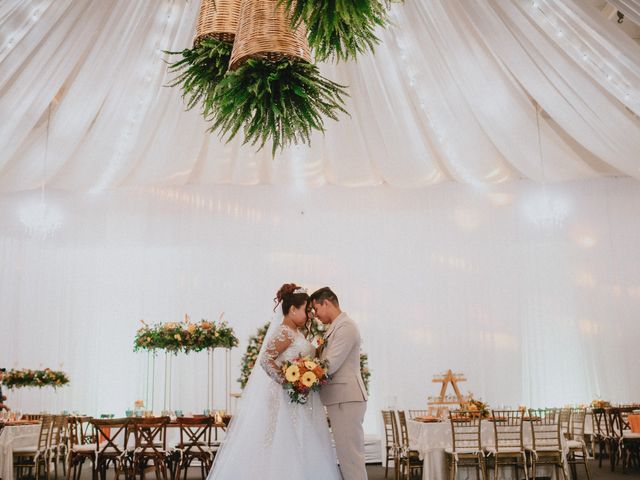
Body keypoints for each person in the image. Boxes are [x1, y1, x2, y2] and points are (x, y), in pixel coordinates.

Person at [207, 284, 340, 480]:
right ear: (293, 309)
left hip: (299, 398)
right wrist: (287, 381)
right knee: (283, 441)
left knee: (301, 440)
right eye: (306, 310)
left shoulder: (297, 333)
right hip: (284, 397)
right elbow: (265, 360)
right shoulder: (284, 332)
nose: (309, 315)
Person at [310, 287, 368, 480]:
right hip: (340, 399)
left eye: (316, 309)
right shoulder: (335, 327)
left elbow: (330, 364)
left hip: (347, 399)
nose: (315, 315)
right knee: (346, 457)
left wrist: (304, 373)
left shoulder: (346, 327)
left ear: (325, 303)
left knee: (351, 458)